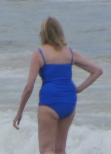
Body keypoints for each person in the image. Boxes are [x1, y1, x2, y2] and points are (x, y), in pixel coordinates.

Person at [12, 17, 103, 154]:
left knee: (47, 149)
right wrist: (78, 89)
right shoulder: (70, 53)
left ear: (43, 33)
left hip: (50, 102)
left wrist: (19, 112)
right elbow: (97, 71)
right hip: (69, 102)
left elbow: (29, 87)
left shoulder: (40, 53)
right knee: (60, 149)